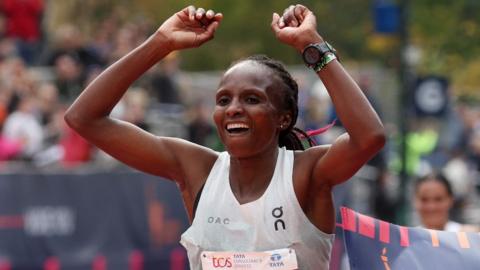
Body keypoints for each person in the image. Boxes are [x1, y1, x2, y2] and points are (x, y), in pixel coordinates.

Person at [64, 4, 385, 269]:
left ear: (283, 117)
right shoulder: (198, 169)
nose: (233, 109)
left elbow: (369, 137)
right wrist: (161, 43)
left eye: (251, 99)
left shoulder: (306, 173)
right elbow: (84, 118)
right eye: (223, 100)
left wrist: (310, 46)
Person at [414, 172, 479, 232]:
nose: (431, 207)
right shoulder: (408, 240)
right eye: (424, 199)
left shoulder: (469, 235)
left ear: (450, 200)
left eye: (438, 199)